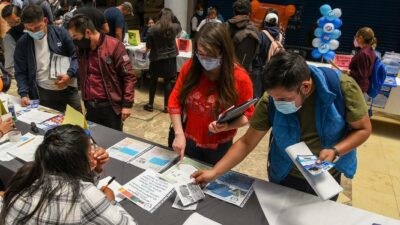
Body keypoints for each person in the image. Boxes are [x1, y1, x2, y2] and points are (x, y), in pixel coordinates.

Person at [193, 52, 372, 200]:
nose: (278, 103)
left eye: (284, 99)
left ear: (306, 86)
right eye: (274, 98)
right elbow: (247, 142)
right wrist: (214, 172)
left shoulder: (342, 88)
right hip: (285, 175)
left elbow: (363, 129)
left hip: (325, 178)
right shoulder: (271, 100)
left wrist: (335, 150)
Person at [0, 125, 138, 225]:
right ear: (77, 160)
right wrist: (111, 201)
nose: (94, 151)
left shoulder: (29, 173)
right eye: (90, 147)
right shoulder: (85, 195)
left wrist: (96, 170)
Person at [168, 22, 254, 165]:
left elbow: (247, 115)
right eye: (201, 54)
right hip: (187, 138)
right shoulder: (191, 68)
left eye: (211, 56)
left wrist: (227, 126)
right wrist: (178, 134)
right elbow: (174, 101)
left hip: (219, 146)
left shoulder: (240, 78)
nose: (205, 60)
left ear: (223, 52)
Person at [68, 15, 136, 131]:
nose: (74, 40)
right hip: (90, 106)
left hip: (110, 106)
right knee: (93, 140)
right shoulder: (82, 49)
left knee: (113, 142)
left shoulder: (114, 45)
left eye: (75, 36)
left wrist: (127, 104)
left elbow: (129, 76)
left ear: (87, 32)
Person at [14, 5, 81, 112]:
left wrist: (69, 74)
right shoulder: (23, 43)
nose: (34, 32)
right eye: (28, 29)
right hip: (43, 92)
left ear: (45, 20)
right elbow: (20, 71)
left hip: (68, 89)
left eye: (37, 28)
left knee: (77, 124)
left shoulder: (61, 33)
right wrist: (23, 93)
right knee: (50, 124)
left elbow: (76, 56)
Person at [143, 8, 181, 113]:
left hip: (156, 58)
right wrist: (173, 17)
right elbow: (179, 25)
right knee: (168, 81)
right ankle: (166, 107)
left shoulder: (152, 29)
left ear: (159, 16)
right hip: (170, 58)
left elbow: (148, 46)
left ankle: (150, 105)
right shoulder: (174, 27)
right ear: (171, 16)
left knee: (153, 81)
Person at [251, 10, 284, 98]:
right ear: (277, 22)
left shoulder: (260, 34)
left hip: (258, 69)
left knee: (255, 97)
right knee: (267, 96)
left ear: (265, 21)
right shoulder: (281, 36)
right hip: (272, 70)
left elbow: (255, 52)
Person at [227, 0, 259, 72]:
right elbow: (256, 52)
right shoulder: (254, 29)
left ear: (234, 12)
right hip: (244, 72)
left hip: (227, 70)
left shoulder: (226, 26)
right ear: (249, 13)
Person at [347, 27, 377, 93]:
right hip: (360, 86)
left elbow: (361, 75)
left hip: (356, 87)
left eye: (355, 37)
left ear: (360, 38)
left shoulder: (363, 54)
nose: (355, 39)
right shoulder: (370, 51)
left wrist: (348, 72)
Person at [2, 4, 24, 76]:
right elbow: (10, 67)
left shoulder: (33, 28)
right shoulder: (9, 37)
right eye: (10, 23)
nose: (13, 25)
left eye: (17, 21)